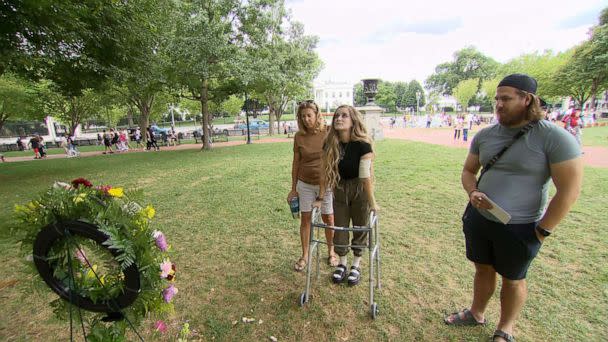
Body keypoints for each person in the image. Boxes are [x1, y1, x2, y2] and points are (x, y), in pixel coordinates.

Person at [445, 74, 582, 342]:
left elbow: (569, 191)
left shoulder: (555, 138)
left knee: (513, 278)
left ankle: (505, 329)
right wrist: (472, 192)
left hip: (521, 226)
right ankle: (476, 313)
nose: (498, 104)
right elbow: (468, 170)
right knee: (482, 269)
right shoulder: (485, 135)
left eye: (505, 98)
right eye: (497, 99)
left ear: (527, 99)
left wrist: (543, 230)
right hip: (480, 219)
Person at [319, 105, 378, 286]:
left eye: (344, 116)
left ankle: (356, 265)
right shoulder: (330, 144)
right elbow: (323, 172)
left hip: (360, 189)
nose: (339, 118)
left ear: (353, 121)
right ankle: (343, 264)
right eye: (337, 115)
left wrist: (372, 203)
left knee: (360, 227)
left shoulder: (363, 145)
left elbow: (365, 176)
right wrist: (321, 197)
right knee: (340, 228)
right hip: (339, 189)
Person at [287, 101, 337, 272]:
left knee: (328, 218)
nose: (306, 119)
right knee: (306, 219)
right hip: (305, 184)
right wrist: (293, 188)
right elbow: (295, 163)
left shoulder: (328, 132)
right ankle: (305, 255)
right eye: (302, 116)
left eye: (309, 115)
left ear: (317, 115)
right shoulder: (299, 137)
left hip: (326, 184)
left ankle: (331, 251)